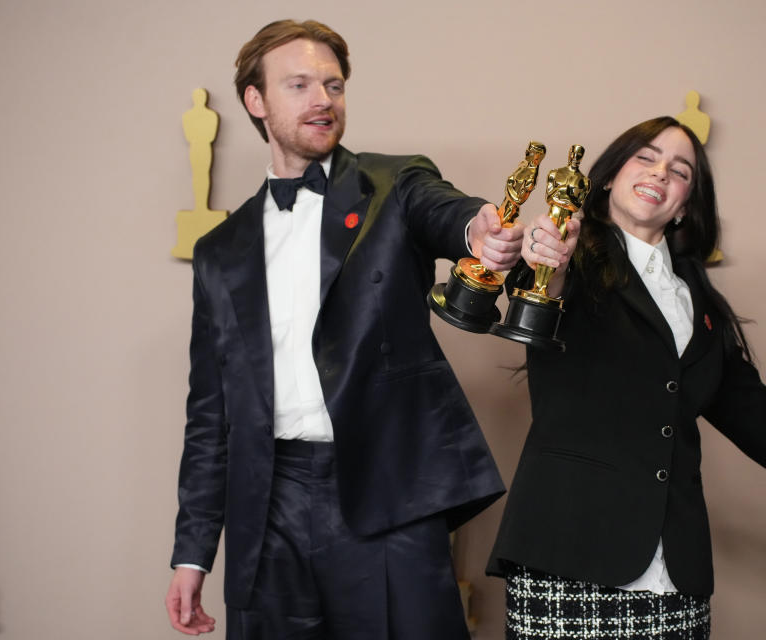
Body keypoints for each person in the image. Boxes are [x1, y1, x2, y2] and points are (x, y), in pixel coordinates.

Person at [164, 19, 524, 639]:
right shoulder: (219, 252)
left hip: (387, 491)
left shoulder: (395, 183)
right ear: (257, 101)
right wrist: (193, 551)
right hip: (268, 501)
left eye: (333, 85)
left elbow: (448, 212)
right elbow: (209, 412)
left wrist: (478, 230)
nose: (322, 100)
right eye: (299, 84)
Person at [486, 116, 766, 640]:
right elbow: (538, 290)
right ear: (612, 176)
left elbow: (761, 422)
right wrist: (552, 262)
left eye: (679, 170)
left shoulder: (699, 303)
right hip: (569, 553)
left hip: (675, 576)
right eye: (645, 157)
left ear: (686, 203)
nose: (660, 173)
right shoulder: (570, 254)